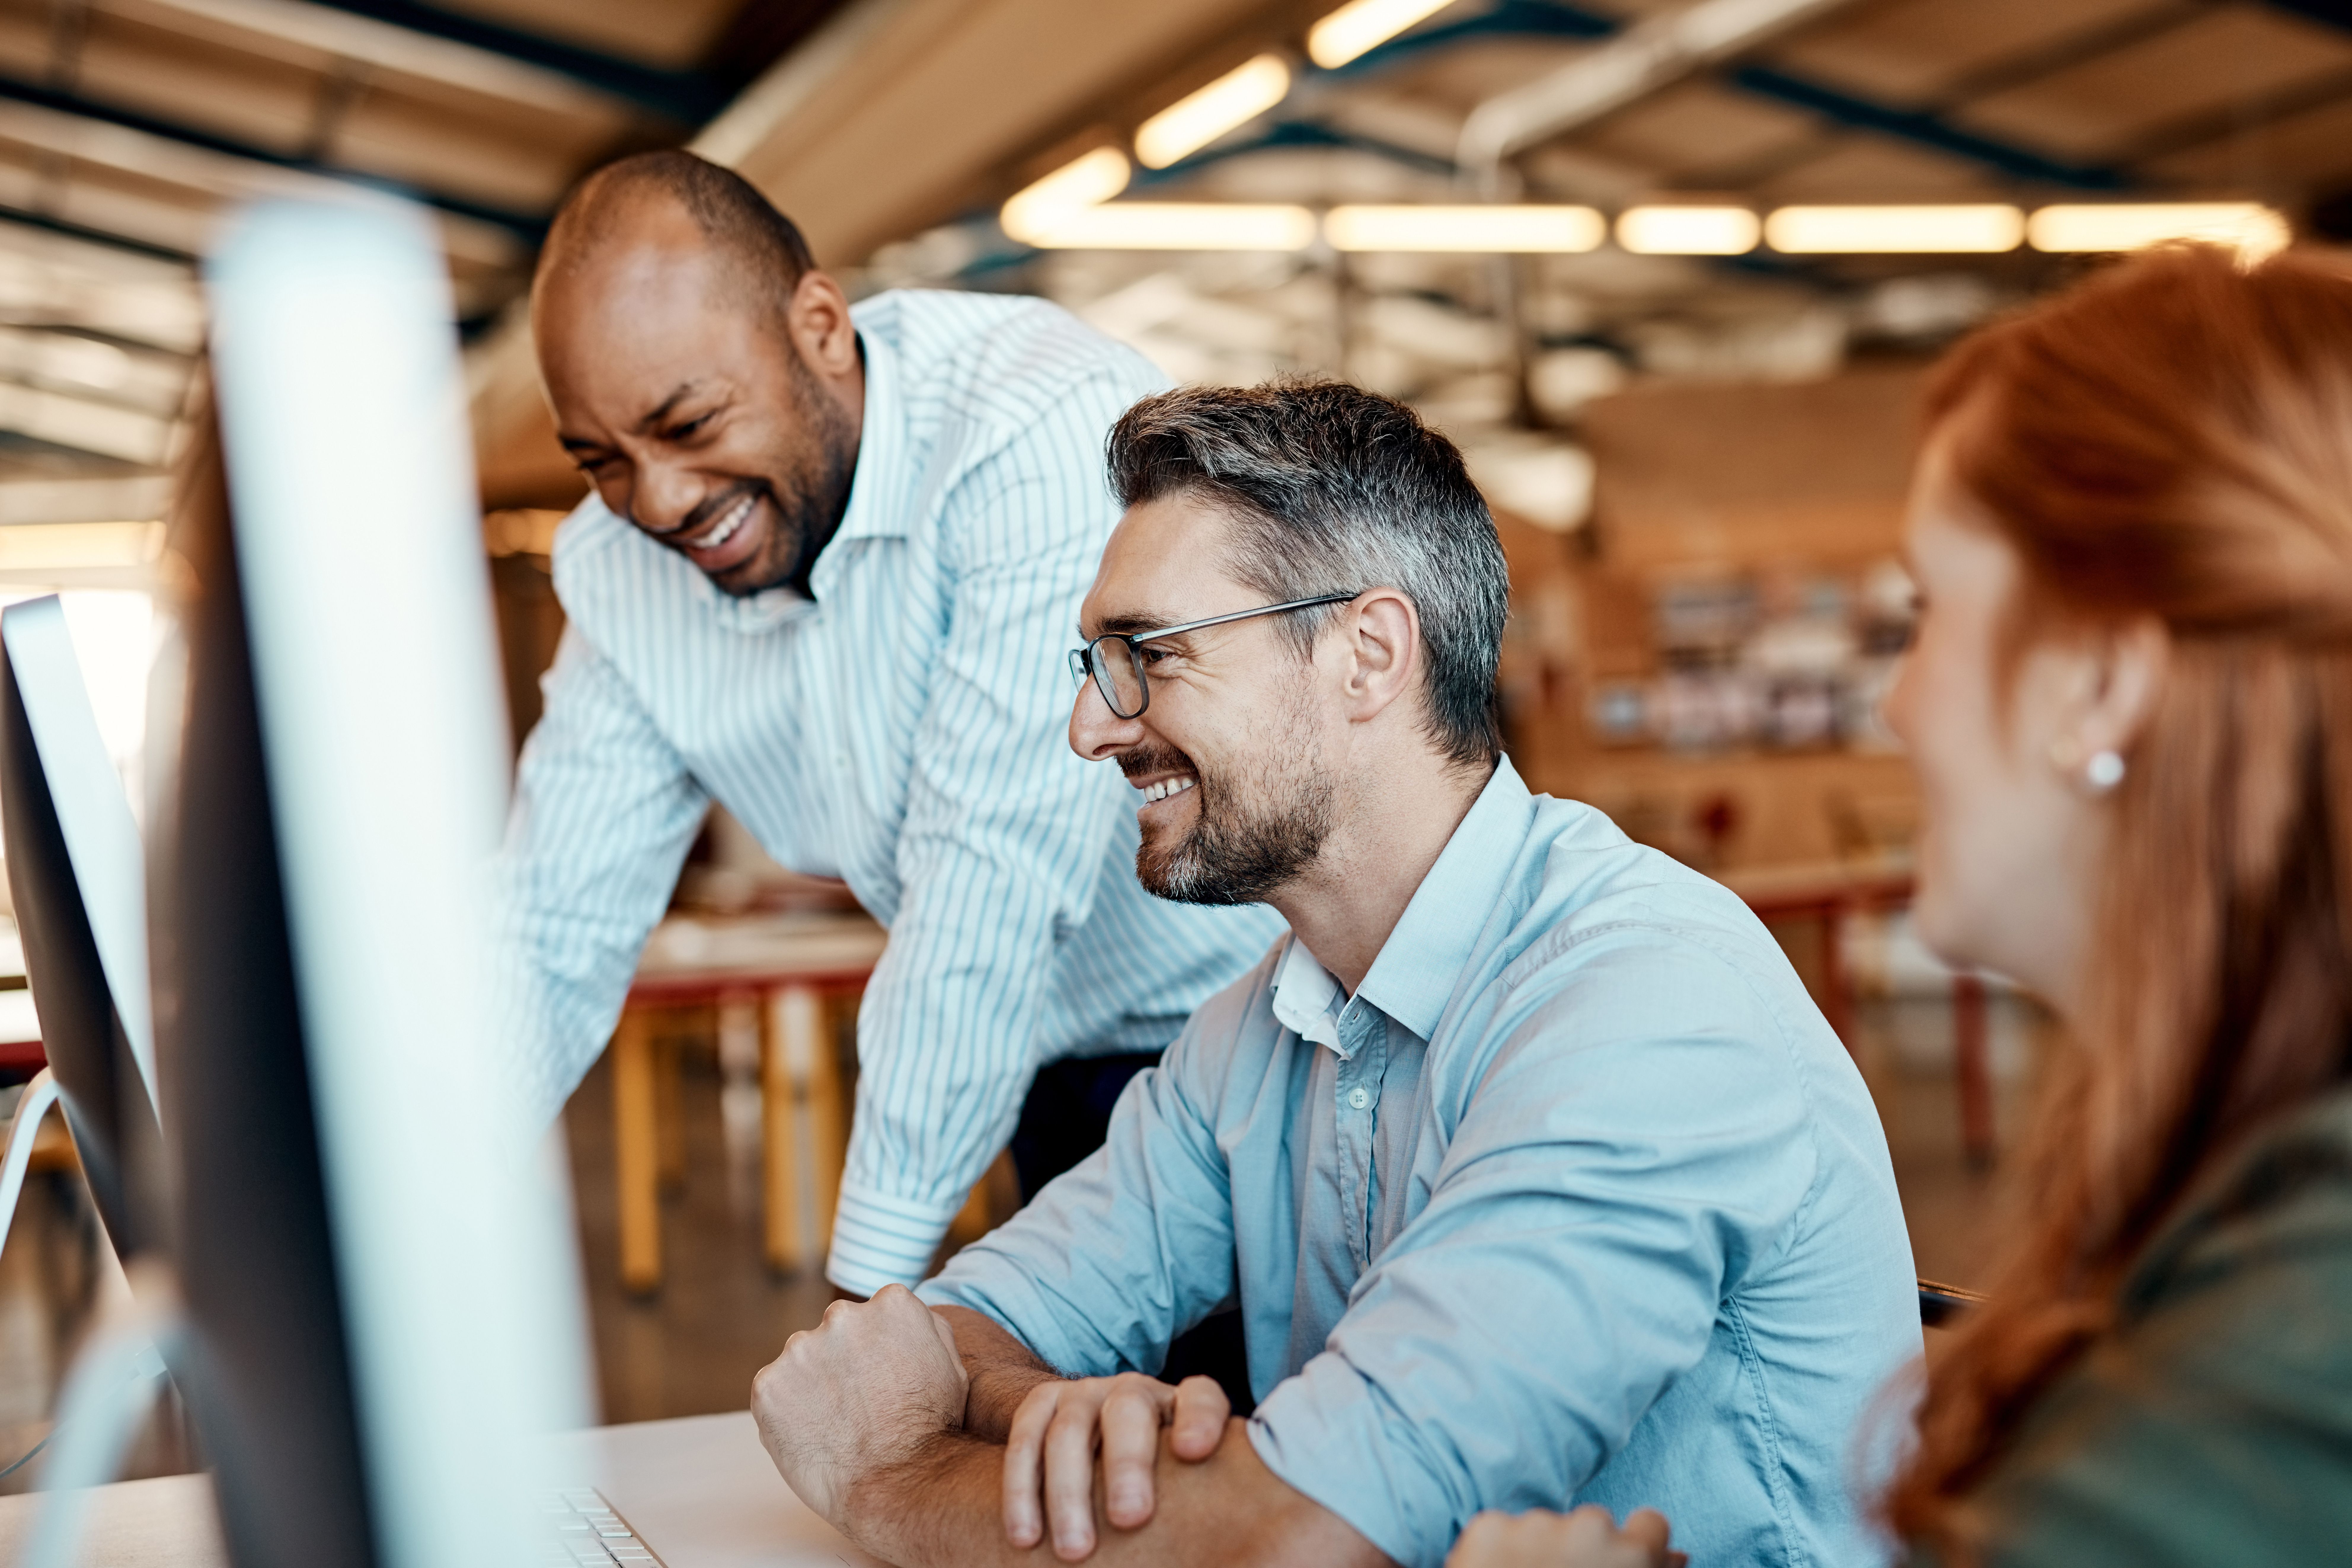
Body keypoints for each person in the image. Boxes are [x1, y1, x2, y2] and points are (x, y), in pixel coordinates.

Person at [747, 380, 1921, 1568]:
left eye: (1145, 654)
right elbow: (964, 1332)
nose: (1089, 728)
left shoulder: (1644, 1006)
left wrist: (890, 1470)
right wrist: (1043, 1405)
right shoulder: (1257, 1032)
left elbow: (1303, 1536)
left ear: (1367, 655)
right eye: (1094, 664)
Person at [1451, 246, 2352, 1568]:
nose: (1892, 701)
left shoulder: (2296, 1327)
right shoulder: (2248, 1185)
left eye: (1929, 614)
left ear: (2099, 682)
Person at [500, 150, 1282, 1297]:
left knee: (1270, 1453)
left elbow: (987, 882)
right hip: (1053, 1064)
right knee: (1114, 1448)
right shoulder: (622, 569)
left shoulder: (1030, 427)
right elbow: (547, 928)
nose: (658, 502)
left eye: (690, 422)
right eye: (602, 462)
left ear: (819, 325)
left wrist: (861, 1296)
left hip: (1269, 1050)